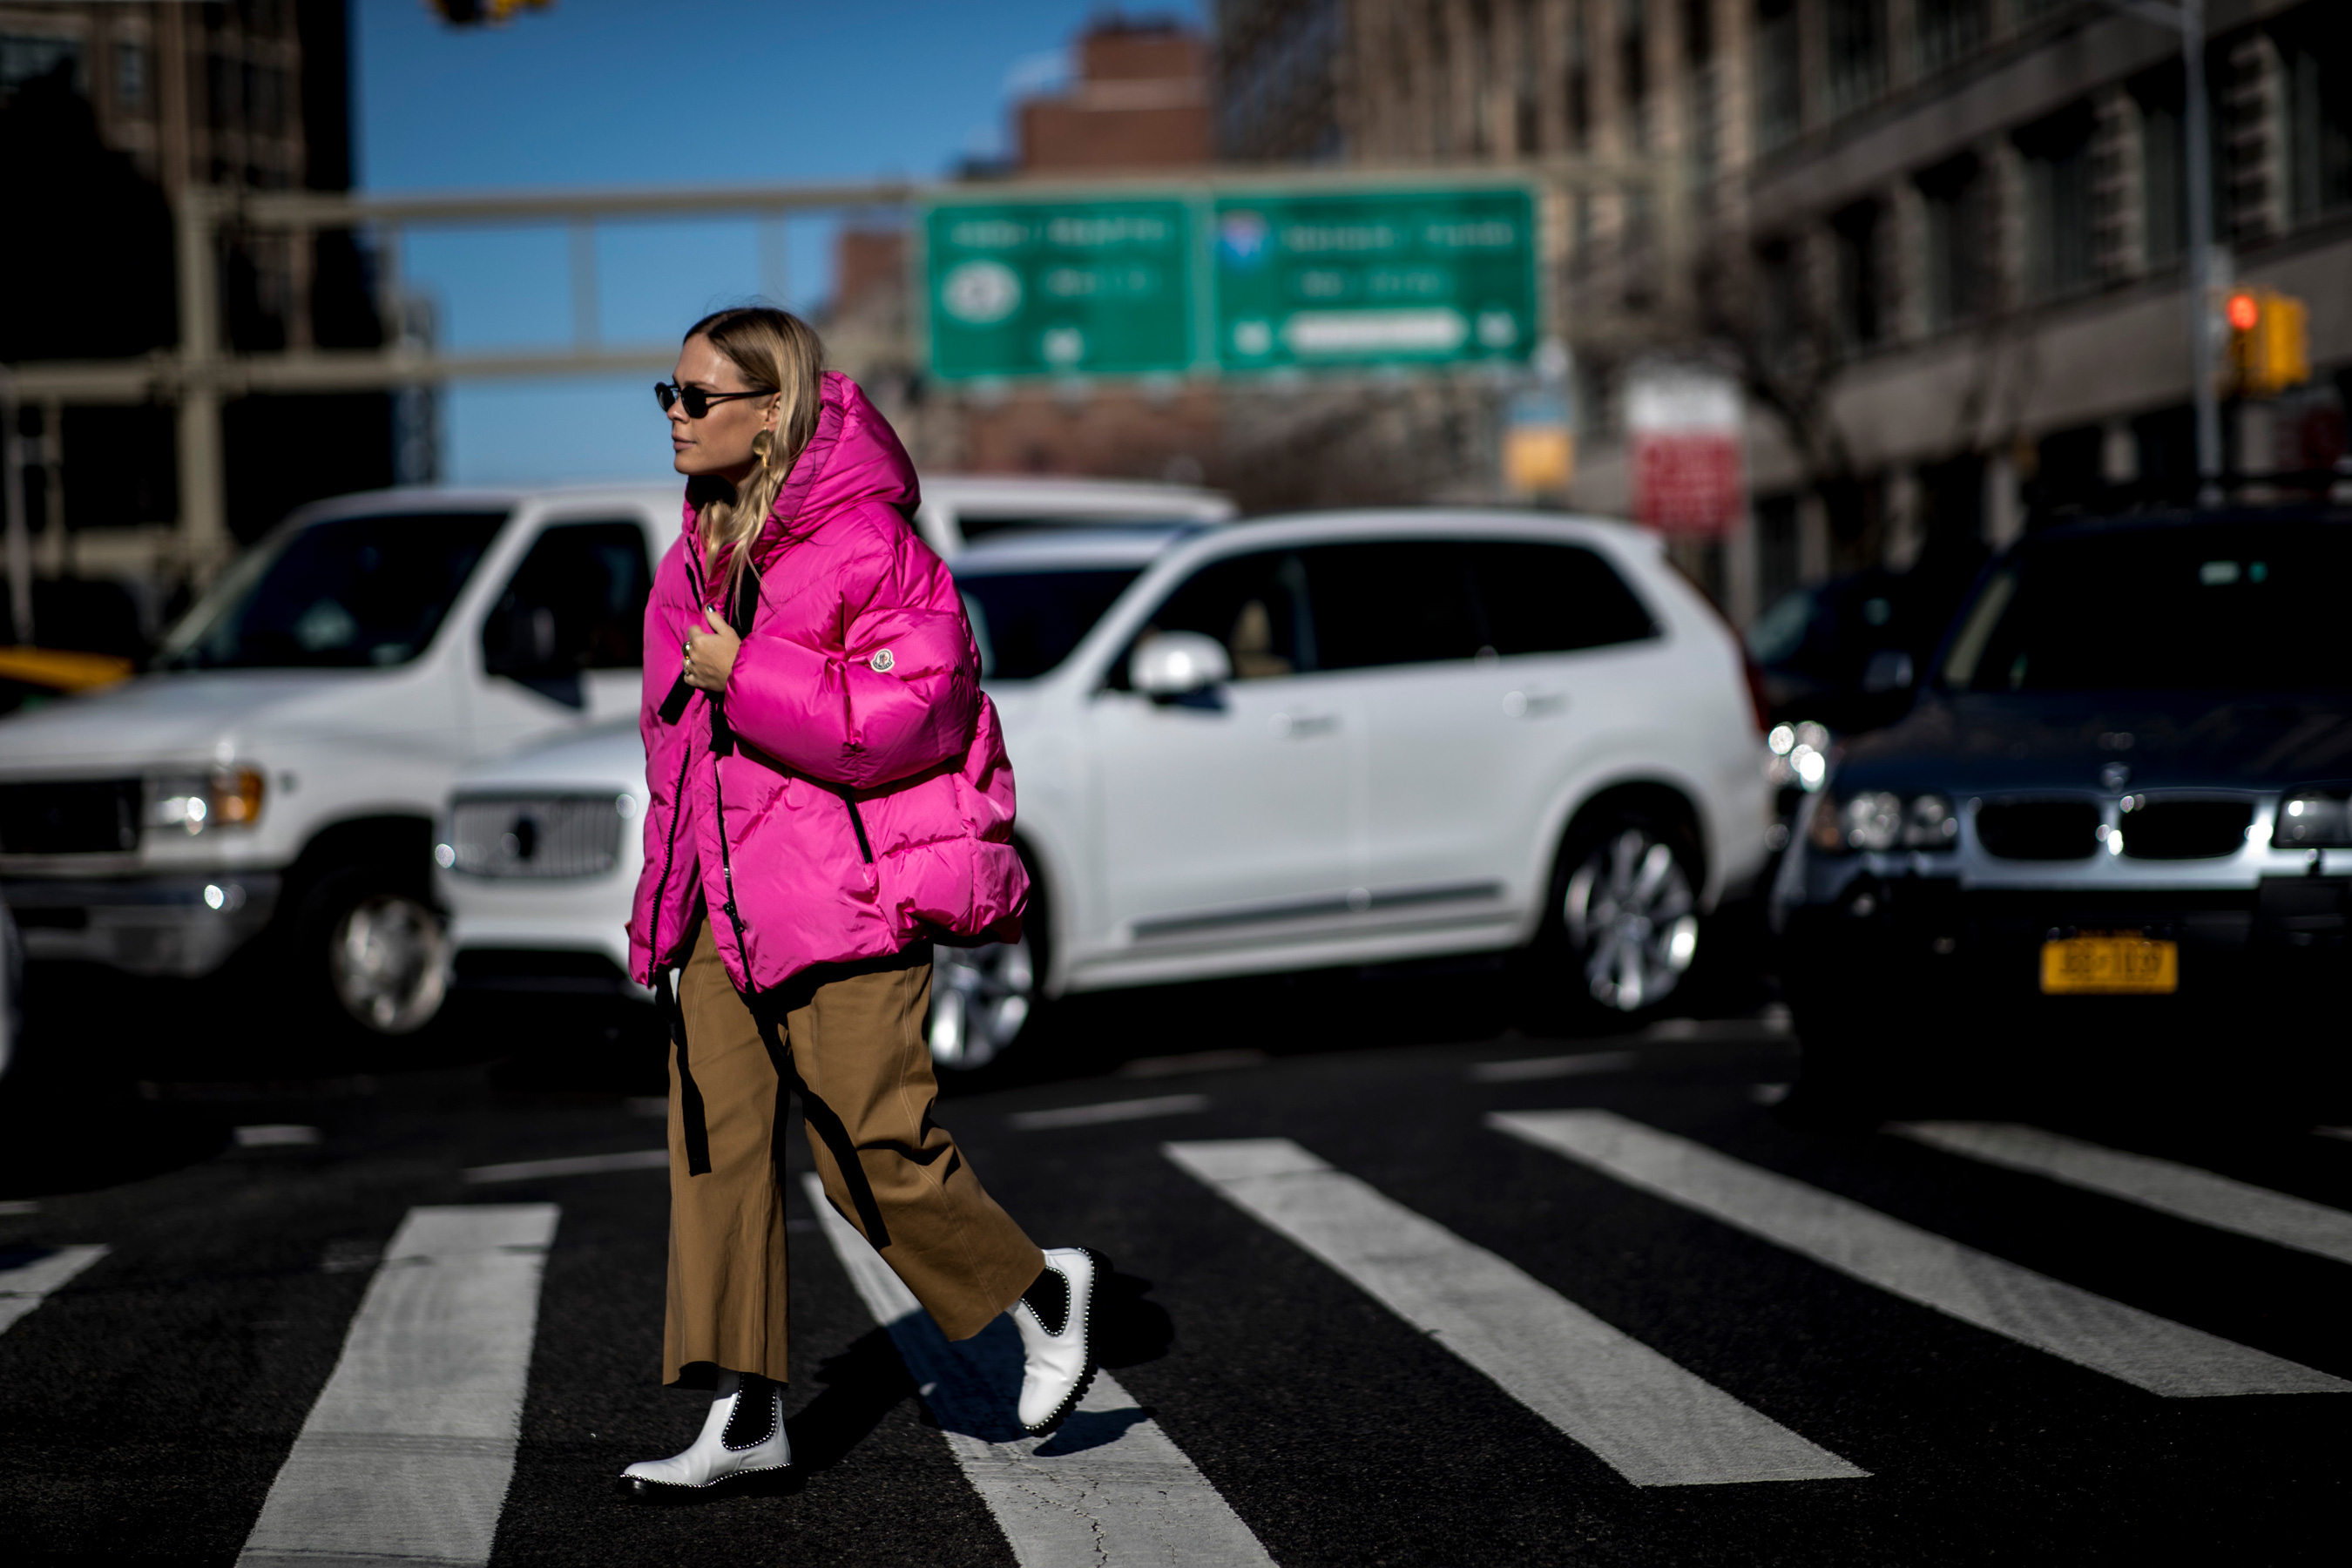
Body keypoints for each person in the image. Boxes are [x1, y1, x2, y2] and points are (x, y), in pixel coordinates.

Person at [620, 307, 1098, 1496]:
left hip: (843, 898)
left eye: (697, 398)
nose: (674, 418)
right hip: (718, 913)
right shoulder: (689, 557)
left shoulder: (872, 542)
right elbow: (676, 756)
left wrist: (751, 671)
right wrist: (663, 904)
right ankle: (743, 1417)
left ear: (769, 410)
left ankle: (1041, 1291)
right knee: (716, 1153)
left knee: (865, 1152)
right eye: (667, 397)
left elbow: (917, 711)